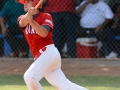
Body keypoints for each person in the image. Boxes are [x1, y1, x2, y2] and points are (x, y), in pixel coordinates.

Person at [18, 0, 89, 90]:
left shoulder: (46, 16)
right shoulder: (21, 18)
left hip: (48, 53)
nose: (25, 4)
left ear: (36, 3)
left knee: (29, 76)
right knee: (65, 86)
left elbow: (43, 33)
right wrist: (29, 16)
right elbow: (22, 23)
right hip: (41, 57)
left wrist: (32, 22)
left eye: (28, 1)